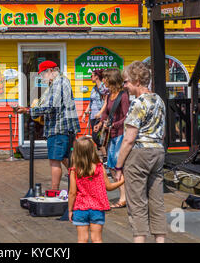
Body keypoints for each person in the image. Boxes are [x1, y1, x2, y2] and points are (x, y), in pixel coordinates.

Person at [114, 61, 167, 243]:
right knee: (157, 202)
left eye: (127, 82)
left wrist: (118, 166)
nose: (125, 86)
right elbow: (163, 132)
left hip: (139, 154)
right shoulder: (159, 100)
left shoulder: (137, 103)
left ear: (137, 81)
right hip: (158, 152)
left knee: (137, 204)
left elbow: (129, 139)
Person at [16, 60, 80, 190]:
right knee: (65, 159)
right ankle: (81, 185)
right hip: (63, 128)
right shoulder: (60, 82)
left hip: (59, 128)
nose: (42, 78)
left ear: (51, 71)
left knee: (54, 160)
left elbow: (51, 106)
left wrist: (28, 110)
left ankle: (54, 192)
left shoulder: (58, 83)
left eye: (42, 75)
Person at [68, 136, 125, 243]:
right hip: (97, 208)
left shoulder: (74, 170)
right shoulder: (99, 167)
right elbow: (109, 187)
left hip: (80, 208)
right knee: (97, 239)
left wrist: (70, 210)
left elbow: (72, 193)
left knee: (82, 239)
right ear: (92, 151)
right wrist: (122, 181)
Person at [93, 68, 129, 209]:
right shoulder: (108, 95)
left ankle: (124, 197)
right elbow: (105, 113)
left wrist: (114, 124)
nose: (103, 81)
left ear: (111, 79)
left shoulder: (123, 96)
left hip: (121, 134)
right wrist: (101, 124)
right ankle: (124, 196)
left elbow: (127, 117)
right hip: (111, 135)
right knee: (112, 165)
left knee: (117, 165)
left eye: (105, 78)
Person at [81, 69, 109, 156]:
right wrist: (85, 113)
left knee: (96, 136)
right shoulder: (94, 88)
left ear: (96, 76)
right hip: (93, 116)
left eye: (92, 76)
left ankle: (105, 155)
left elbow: (106, 102)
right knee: (97, 137)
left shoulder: (103, 88)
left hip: (100, 116)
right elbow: (91, 102)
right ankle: (105, 155)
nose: (91, 77)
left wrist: (100, 113)